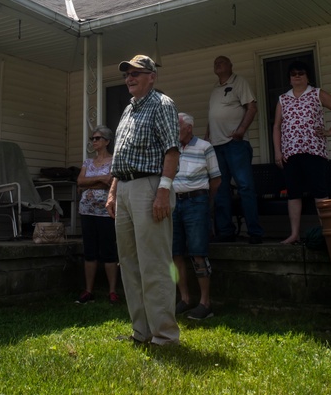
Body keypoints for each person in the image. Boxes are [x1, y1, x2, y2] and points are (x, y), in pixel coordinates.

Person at [106, 54, 181, 346]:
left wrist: (163, 191)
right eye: (127, 74)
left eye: (137, 73)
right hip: (124, 188)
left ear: (152, 77)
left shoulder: (163, 104)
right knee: (129, 263)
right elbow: (120, 156)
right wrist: (113, 191)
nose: (129, 78)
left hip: (149, 187)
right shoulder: (128, 110)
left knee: (155, 263)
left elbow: (171, 151)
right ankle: (142, 331)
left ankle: (164, 335)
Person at [272, 60, 331, 245]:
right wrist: (278, 152)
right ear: (289, 79)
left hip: (314, 151)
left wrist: (330, 131)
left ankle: (327, 232)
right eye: (293, 74)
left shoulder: (317, 94)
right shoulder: (283, 99)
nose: (297, 76)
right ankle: (294, 234)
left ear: (307, 76)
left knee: (320, 192)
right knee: (293, 193)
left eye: (301, 73)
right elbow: (276, 126)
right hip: (290, 153)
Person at [206, 55, 264, 244]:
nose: (218, 64)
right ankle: (225, 232)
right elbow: (213, 116)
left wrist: (241, 131)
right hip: (216, 146)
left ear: (231, 65)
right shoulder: (215, 88)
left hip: (235, 144)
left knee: (245, 187)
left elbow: (252, 108)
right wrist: (208, 137)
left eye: (222, 61)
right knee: (220, 189)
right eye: (216, 62)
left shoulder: (239, 82)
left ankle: (254, 232)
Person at [172, 112, 221, 321]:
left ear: (189, 128)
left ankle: (205, 303)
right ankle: (184, 298)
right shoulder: (171, 149)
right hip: (174, 203)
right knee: (174, 253)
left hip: (196, 202)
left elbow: (216, 179)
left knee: (198, 252)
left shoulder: (204, 147)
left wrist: (205, 203)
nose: (175, 130)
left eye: (178, 126)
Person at [75, 125, 119, 305]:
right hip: (87, 211)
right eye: (92, 138)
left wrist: (90, 183)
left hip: (106, 211)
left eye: (97, 138)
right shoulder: (87, 162)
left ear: (107, 141)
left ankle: (112, 291)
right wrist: (100, 179)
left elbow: (111, 182)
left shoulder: (114, 161)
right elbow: (79, 182)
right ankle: (88, 291)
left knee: (108, 251)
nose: (94, 141)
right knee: (90, 251)